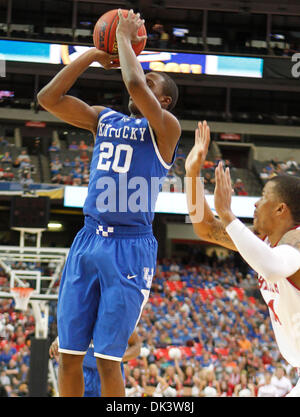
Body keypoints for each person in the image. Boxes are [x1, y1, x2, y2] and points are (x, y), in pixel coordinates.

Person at [37, 9, 181, 397]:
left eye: (153, 83)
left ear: (163, 100)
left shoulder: (166, 129)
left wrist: (123, 36)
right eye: (144, 74)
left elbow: (135, 83)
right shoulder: (105, 118)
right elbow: (48, 98)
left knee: (106, 359)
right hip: (88, 238)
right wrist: (91, 56)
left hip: (129, 247)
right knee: (67, 355)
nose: (141, 79)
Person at [185, 121, 300, 397]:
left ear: (281, 208)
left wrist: (228, 214)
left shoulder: (296, 240)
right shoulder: (264, 244)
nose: (255, 204)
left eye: (263, 198)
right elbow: (206, 229)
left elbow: (272, 268)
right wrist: (191, 174)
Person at [49, 329, 141, 397]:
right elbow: (63, 338)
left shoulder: (115, 316)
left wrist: (116, 358)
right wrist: (57, 342)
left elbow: (136, 346)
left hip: (110, 369)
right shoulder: (80, 315)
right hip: (82, 370)